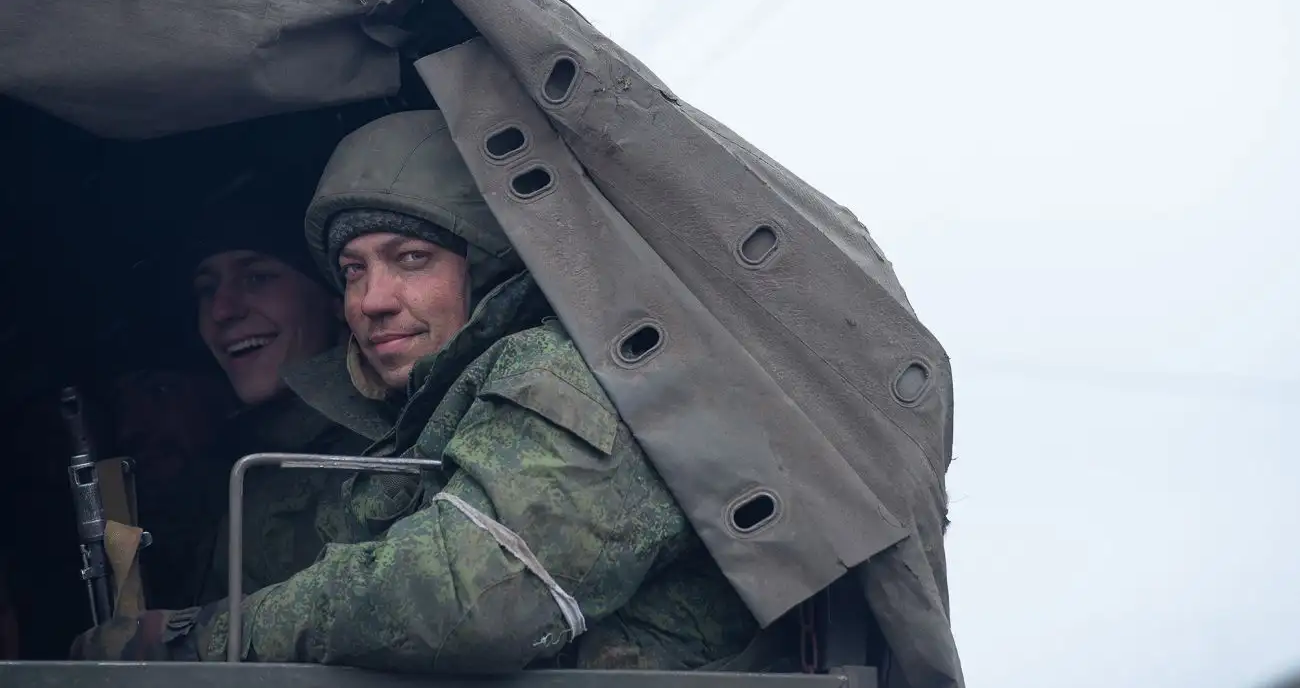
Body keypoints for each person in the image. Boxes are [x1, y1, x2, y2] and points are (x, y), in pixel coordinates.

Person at [70, 110, 779, 671]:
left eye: (411, 260)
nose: (372, 300)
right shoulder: (422, 410)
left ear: (484, 270)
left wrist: (203, 640)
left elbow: (471, 596)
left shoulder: (561, 371)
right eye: (352, 270)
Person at [133, 171, 376, 609]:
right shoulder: (235, 463)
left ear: (335, 297)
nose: (222, 310)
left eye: (257, 278)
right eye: (206, 289)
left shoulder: (387, 448)